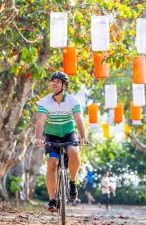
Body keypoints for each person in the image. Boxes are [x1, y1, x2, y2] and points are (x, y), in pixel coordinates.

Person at [35, 72, 88, 212]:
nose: (54, 83)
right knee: (51, 163)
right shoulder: (44, 101)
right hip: (51, 136)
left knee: (73, 151)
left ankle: (72, 182)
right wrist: (38, 138)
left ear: (64, 85)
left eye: (58, 81)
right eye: (52, 81)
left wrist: (83, 136)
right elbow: (40, 122)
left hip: (69, 134)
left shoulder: (73, 101)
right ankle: (52, 200)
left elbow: (79, 121)